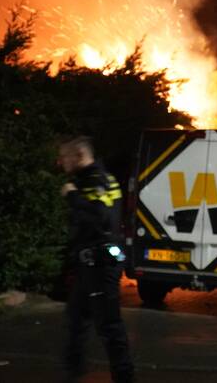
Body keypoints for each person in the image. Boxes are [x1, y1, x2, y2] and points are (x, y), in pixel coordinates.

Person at [58, 135, 134, 382]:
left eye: (65, 156)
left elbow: (99, 217)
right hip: (89, 265)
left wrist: (72, 196)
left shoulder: (97, 180)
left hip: (101, 265)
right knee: (76, 320)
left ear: (79, 155)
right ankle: (72, 373)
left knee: (109, 327)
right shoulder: (89, 179)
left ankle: (124, 378)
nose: (60, 162)